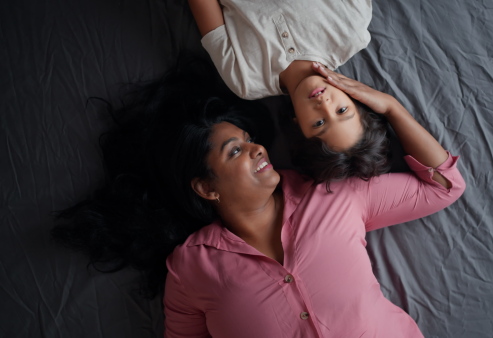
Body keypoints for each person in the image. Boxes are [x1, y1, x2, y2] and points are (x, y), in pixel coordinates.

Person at [162, 67, 466, 337]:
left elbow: (444, 185)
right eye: (235, 151)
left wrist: (391, 107)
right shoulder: (188, 269)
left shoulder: (337, 196)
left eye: (249, 139)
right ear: (206, 188)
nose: (257, 149)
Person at [188, 0, 391, 184]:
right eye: (342, 110)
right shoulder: (352, 29)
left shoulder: (246, 81)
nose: (324, 105)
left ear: (298, 127)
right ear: (354, 99)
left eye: (319, 123)